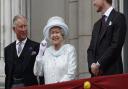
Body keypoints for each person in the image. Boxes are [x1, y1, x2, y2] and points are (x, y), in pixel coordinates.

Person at [87, 0, 127, 77]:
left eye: (94, 0)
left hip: (113, 76)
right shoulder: (96, 25)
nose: (93, 3)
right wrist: (92, 65)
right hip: (96, 77)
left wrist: (99, 64)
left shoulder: (118, 17)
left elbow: (115, 46)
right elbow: (91, 49)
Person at [34, 16, 77, 84]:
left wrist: (57, 85)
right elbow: (38, 72)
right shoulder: (47, 52)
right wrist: (40, 52)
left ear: (62, 34)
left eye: (57, 32)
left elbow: (71, 74)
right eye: (52, 33)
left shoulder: (69, 49)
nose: (54, 35)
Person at [4, 15, 44, 89]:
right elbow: (8, 74)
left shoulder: (36, 46)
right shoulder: (8, 50)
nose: (24, 29)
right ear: (14, 29)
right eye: (21, 27)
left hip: (30, 86)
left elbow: (41, 72)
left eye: (25, 26)